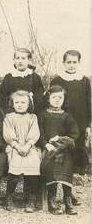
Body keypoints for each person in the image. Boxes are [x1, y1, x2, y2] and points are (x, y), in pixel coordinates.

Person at [39, 85, 79, 215]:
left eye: (60, 97)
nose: (57, 100)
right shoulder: (43, 115)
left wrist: (61, 140)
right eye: (54, 97)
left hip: (63, 149)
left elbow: (73, 135)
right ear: (48, 99)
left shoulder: (67, 116)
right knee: (51, 165)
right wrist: (46, 144)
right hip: (48, 149)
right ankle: (52, 200)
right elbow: (40, 134)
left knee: (66, 163)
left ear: (64, 99)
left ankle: (68, 201)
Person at [50, 50, 91, 176]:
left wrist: (89, 123)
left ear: (79, 63)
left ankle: (79, 169)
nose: (71, 65)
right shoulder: (58, 79)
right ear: (64, 63)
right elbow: (52, 99)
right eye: (69, 62)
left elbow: (88, 101)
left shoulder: (84, 80)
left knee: (78, 140)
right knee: (63, 140)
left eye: (74, 62)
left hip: (80, 117)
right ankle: (62, 168)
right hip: (63, 116)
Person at [3, 90, 41, 213]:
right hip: (14, 147)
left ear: (29, 104)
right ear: (12, 104)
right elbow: (8, 134)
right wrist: (18, 146)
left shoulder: (32, 117)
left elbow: (34, 133)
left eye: (23, 102)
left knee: (33, 165)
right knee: (15, 168)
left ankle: (31, 198)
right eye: (17, 102)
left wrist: (28, 145)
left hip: (29, 147)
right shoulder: (8, 117)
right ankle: (9, 197)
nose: (20, 105)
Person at [0, 48, 44, 114]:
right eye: (17, 58)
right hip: (12, 113)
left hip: (31, 113)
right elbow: (3, 97)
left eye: (23, 58)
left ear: (29, 61)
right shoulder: (9, 77)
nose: (20, 61)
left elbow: (39, 96)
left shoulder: (35, 77)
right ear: (14, 60)